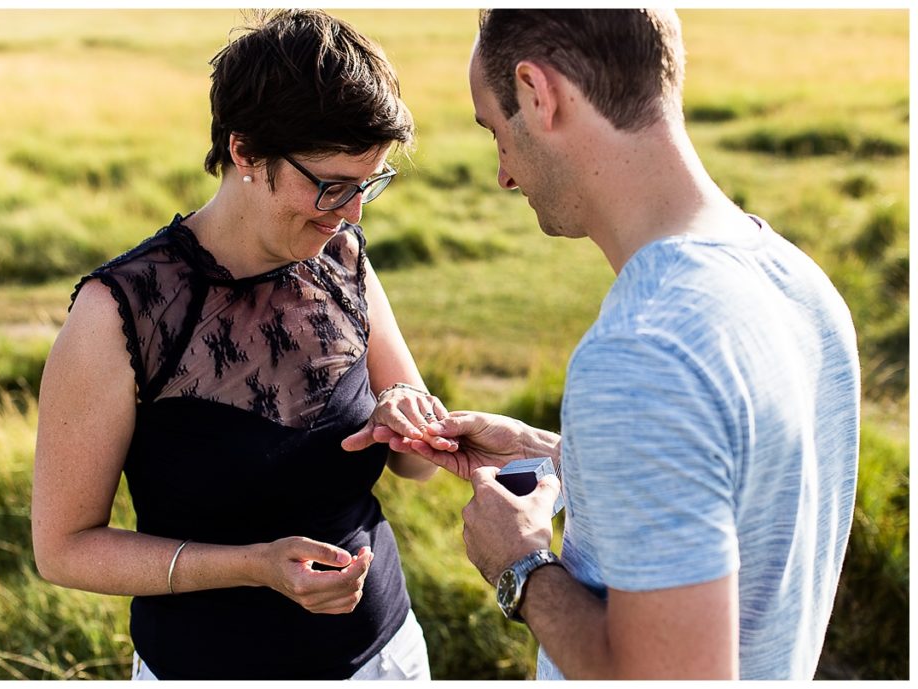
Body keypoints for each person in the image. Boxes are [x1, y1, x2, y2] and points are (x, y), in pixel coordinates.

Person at [348, 8, 860, 680]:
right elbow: (731, 485)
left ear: (538, 93)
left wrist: (520, 567)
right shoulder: (798, 282)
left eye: (497, 131)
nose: (504, 174)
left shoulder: (644, 353)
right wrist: (570, 456)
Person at [31, 9, 457, 681]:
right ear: (245, 151)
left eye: (368, 183)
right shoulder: (116, 314)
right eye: (331, 185)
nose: (353, 212)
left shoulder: (341, 254)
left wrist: (406, 412)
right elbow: (63, 549)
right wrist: (253, 566)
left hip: (388, 658)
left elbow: (418, 466)